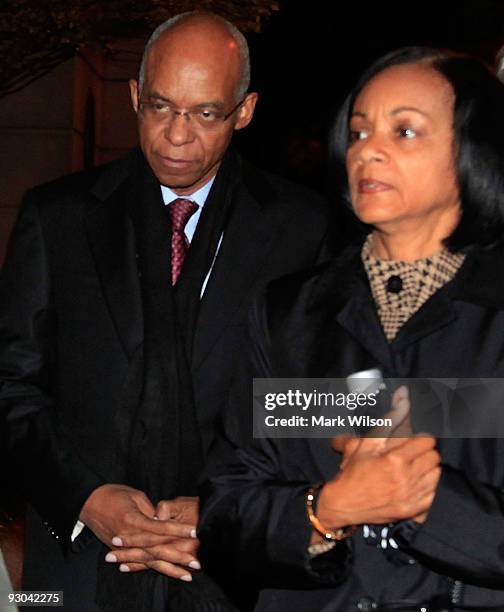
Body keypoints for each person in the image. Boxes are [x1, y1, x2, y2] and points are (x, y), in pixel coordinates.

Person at [0, 11, 334, 612]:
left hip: (233, 572)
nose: (177, 137)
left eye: (205, 114)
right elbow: (9, 386)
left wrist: (231, 504)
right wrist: (84, 497)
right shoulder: (57, 217)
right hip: (73, 571)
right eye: (159, 107)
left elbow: (319, 396)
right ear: (133, 96)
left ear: (245, 110)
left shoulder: (303, 229)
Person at [198, 47, 504, 610]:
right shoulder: (289, 313)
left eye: (405, 131)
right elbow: (224, 517)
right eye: (359, 133)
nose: (369, 152)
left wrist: (428, 502)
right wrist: (328, 508)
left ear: (472, 149)